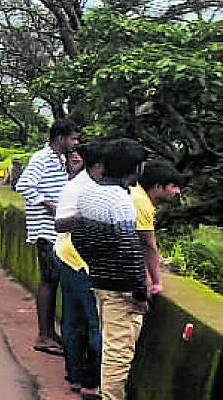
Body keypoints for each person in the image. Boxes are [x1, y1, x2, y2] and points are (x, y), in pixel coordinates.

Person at [71, 139, 147, 400]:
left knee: (108, 345)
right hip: (119, 289)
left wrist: (99, 269)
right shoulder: (121, 202)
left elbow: (77, 239)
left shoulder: (88, 193)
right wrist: (137, 292)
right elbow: (130, 250)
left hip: (98, 281)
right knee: (118, 353)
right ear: (136, 168)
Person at [16, 118, 80, 356]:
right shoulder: (42, 158)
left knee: (53, 282)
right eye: (72, 138)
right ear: (60, 138)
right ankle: (43, 336)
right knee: (48, 280)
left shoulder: (59, 159)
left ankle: (50, 332)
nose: (75, 143)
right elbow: (24, 185)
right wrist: (48, 205)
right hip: (45, 229)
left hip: (55, 230)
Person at [54, 141, 107, 399]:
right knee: (90, 323)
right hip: (76, 261)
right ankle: (87, 379)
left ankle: (77, 375)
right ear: (98, 165)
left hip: (76, 258)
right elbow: (60, 224)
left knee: (76, 321)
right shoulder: (78, 189)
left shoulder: (98, 186)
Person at [133, 159, 186, 297]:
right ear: (157, 186)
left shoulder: (134, 192)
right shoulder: (141, 202)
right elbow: (148, 245)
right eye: (173, 186)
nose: (177, 191)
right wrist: (156, 283)